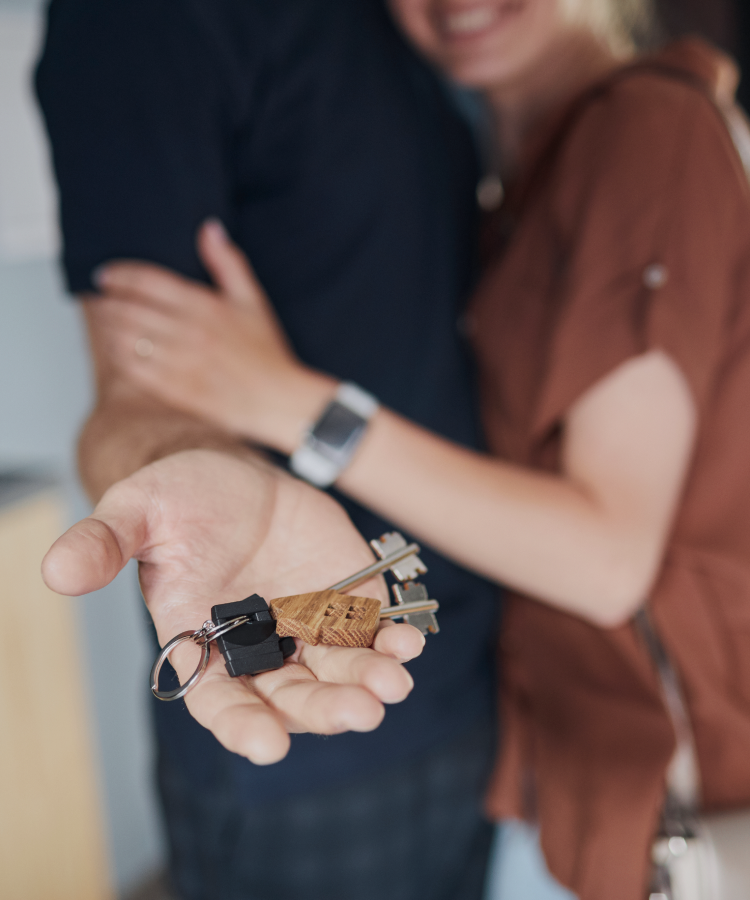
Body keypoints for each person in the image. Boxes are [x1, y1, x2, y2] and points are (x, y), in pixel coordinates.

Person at [87, 1, 750, 898]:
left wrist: (289, 401)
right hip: (540, 770)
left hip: (658, 794)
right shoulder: (510, 164)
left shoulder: (646, 131)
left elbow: (606, 560)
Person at [36, 1, 500, 899]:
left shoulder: (411, 30)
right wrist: (195, 456)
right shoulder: (144, 25)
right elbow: (131, 398)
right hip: (306, 743)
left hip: (465, 677)